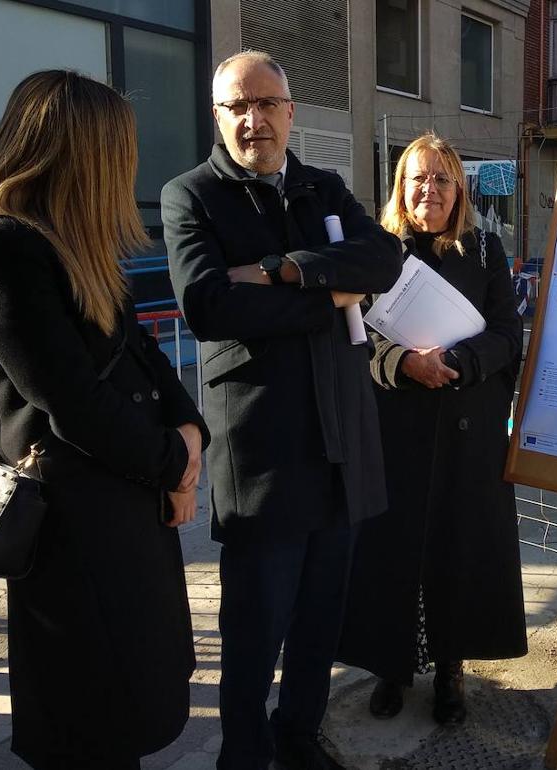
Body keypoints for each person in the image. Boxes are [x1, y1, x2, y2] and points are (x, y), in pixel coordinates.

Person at [0, 70, 208, 769]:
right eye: (118, 154)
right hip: (73, 530)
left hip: (124, 511)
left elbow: (143, 354)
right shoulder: (0, 251)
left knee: (127, 701)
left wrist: (190, 433)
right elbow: (74, 404)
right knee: (92, 716)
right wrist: (174, 462)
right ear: (81, 156)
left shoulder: (78, 250)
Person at [161, 51, 402, 770]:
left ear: (291, 112)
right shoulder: (192, 195)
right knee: (255, 624)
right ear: (218, 116)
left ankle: (299, 736)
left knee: (321, 616)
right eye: (237, 106)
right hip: (262, 447)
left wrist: (283, 271)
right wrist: (329, 297)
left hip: (341, 438)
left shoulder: (323, 188)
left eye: (267, 104)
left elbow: (383, 260)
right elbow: (208, 304)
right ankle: (243, 751)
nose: (253, 119)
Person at [336, 133, 528, 724]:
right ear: (401, 186)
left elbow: (506, 333)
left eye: (443, 179)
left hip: (465, 430)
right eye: (419, 178)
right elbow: (352, 336)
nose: (430, 189)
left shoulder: (486, 251)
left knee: (458, 550)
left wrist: (459, 363)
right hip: (394, 429)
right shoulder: (375, 252)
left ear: (460, 189)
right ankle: (392, 667)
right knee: (392, 553)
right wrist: (403, 363)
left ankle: (450, 669)